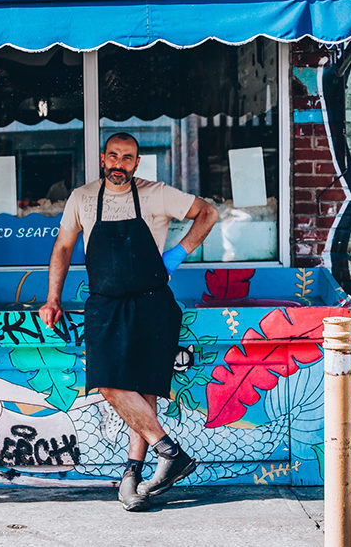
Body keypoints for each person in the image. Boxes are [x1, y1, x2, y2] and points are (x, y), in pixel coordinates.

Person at [39, 132, 218, 511]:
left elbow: (209, 213)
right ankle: (171, 454)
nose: (120, 164)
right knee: (107, 383)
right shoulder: (82, 198)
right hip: (104, 305)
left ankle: (132, 479)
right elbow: (63, 247)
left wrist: (177, 254)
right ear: (103, 159)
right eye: (114, 156)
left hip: (153, 304)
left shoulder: (157, 193)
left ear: (137, 163)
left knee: (144, 391)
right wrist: (53, 298)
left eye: (128, 158)